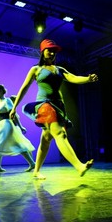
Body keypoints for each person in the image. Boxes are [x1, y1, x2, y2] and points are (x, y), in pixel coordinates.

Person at [9, 39, 98, 179]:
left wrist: (87, 79)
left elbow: (73, 78)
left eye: (54, 51)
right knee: (60, 134)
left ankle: (36, 171)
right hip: (44, 105)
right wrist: (14, 108)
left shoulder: (59, 70)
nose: (51, 53)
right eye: (49, 50)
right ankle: (79, 166)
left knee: (46, 139)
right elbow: (24, 88)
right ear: (42, 51)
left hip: (59, 107)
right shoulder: (36, 69)